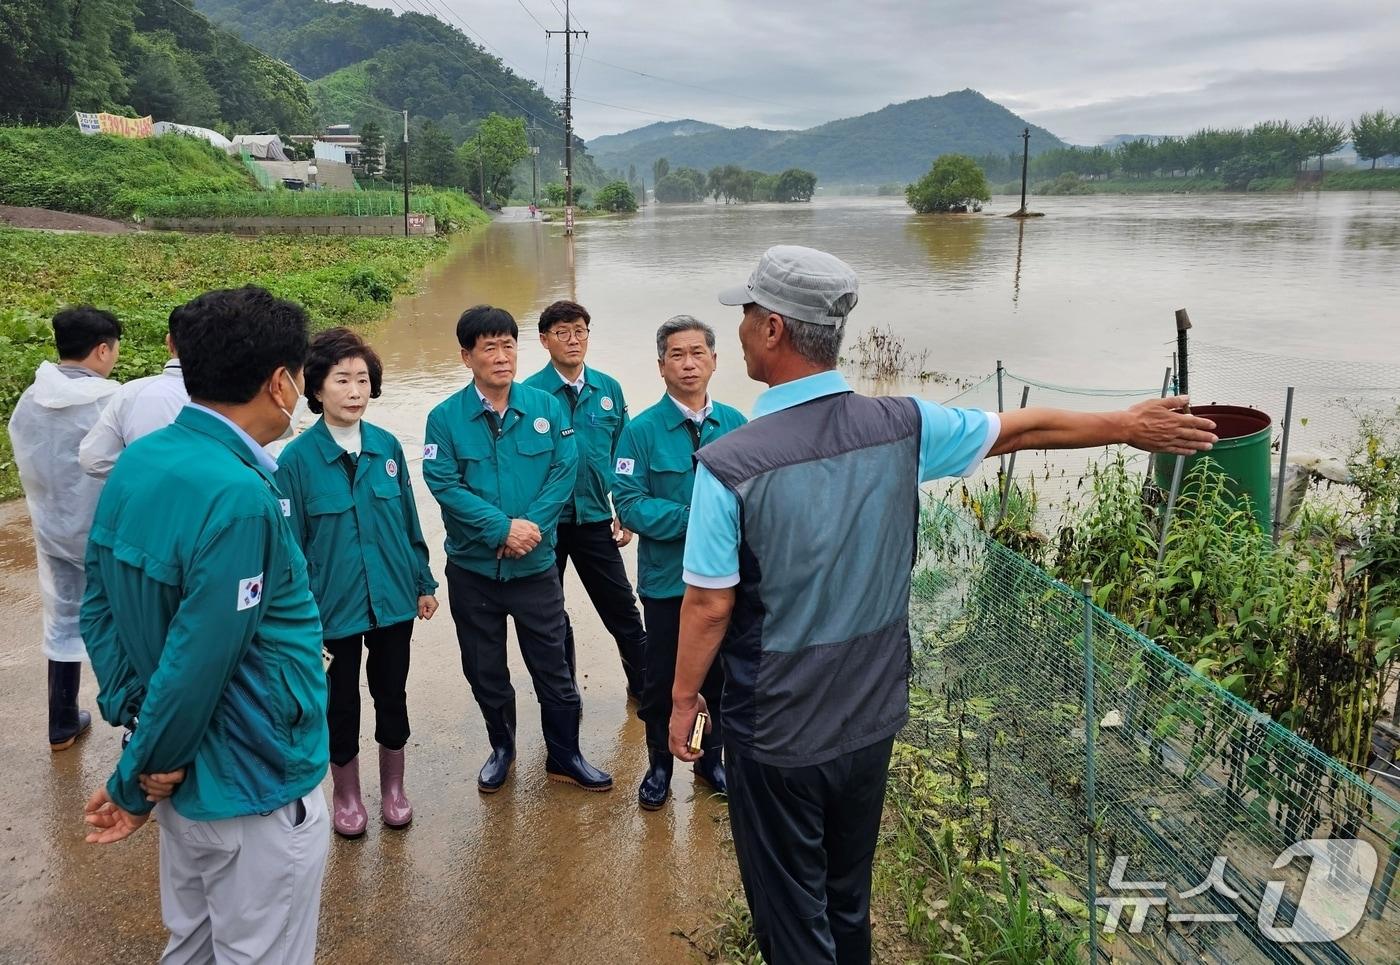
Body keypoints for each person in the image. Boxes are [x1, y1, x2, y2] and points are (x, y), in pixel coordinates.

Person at [668, 245, 1219, 965]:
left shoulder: (730, 464)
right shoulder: (902, 427)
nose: (736, 329)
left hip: (777, 734)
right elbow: (1022, 429)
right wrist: (1125, 423)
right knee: (846, 897)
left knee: (791, 914)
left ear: (772, 328)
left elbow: (709, 604)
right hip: (870, 717)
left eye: (744, 314)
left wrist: (683, 700)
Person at [80, 286, 331, 963]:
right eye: (301, 374)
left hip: (183, 780)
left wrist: (141, 735)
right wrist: (142, 769)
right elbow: (200, 659)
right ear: (280, 383)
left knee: (191, 942)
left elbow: (97, 604)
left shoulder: (141, 459)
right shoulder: (241, 495)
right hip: (252, 781)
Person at [423, 305, 612, 793]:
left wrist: (529, 529)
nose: (502, 356)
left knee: (554, 665)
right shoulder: (444, 418)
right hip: (473, 569)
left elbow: (563, 471)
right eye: (490, 347)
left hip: (534, 567)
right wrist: (500, 528)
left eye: (508, 345)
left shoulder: (545, 407)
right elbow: (442, 482)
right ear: (467, 357)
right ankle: (502, 748)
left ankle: (565, 754)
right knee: (485, 669)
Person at [277, 328, 439, 838]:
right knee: (338, 703)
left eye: (363, 380)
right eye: (341, 379)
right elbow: (288, 546)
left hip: (392, 601)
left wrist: (424, 580)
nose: (354, 391)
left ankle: (393, 788)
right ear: (317, 389)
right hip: (329, 610)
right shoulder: (295, 461)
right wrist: (297, 612)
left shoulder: (388, 447)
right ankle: (346, 793)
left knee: (392, 694)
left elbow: (410, 522)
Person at [613, 315, 745, 809]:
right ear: (661, 366)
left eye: (697, 353)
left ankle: (710, 758)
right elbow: (629, 502)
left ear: (714, 360)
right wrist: (701, 519)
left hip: (727, 581)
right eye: (677, 355)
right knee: (663, 678)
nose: (688, 364)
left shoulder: (735, 424)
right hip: (669, 583)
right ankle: (660, 766)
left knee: (717, 677)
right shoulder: (640, 432)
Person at [8, 306, 121, 750]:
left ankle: (61, 724)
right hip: (105, 533)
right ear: (101, 349)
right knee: (130, 619)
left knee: (62, 620)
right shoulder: (110, 400)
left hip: (53, 529)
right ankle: (139, 722)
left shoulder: (31, 398)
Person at [522, 299, 647, 700]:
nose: (573, 340)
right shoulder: (528, 395)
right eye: (562, 333)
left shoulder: (608, 389)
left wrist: (622, 511)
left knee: (623, 610)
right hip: (547, 526)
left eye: (580, 331)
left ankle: (645, 690)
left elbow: (622, 457)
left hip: (595, 518)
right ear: (544, 340)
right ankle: (565, 696)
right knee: (550, 615)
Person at [79, 306, 189, 478]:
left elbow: (94, 460)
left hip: (144, 499)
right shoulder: (237, 396)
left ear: (169, 342)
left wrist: (143, 472)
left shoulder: (131, 392)